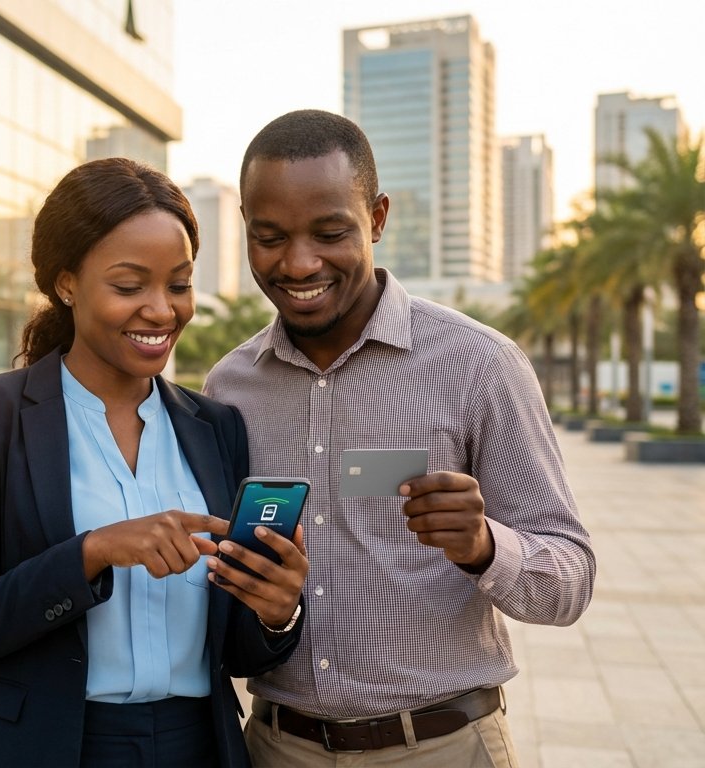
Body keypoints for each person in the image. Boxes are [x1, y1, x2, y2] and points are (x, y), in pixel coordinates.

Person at [204, 109, 596, 766]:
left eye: (331, 233)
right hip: (277, 748)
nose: (299, 263)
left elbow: (570, 580)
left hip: (441, 747)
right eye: (269, 237)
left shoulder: (480, 365)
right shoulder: (228, 387)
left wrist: (483, 546)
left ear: (378, 217)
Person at [0, 157, 310, 767]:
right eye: (129, 287)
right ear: (66, 284)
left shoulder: (217, 427)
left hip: (195, 747)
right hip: (42, 748)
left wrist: (276, 612)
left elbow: (233, 650)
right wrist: (92, 552)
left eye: (178, 285)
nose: (161, 311)